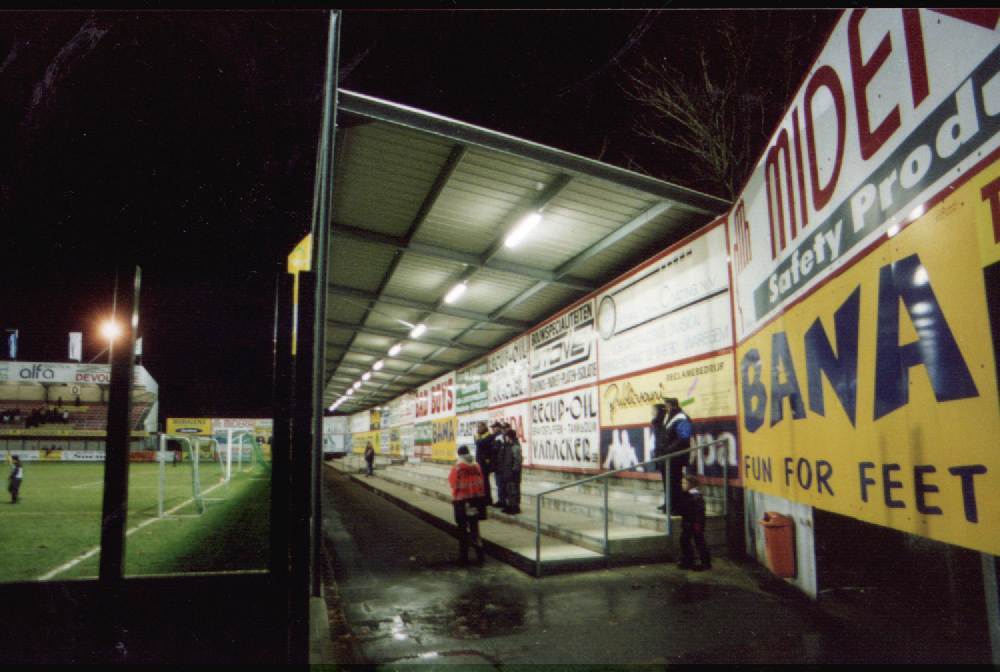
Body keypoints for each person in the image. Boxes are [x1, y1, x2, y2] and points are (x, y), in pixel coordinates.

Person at [447, 445, 486, 565]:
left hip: (461, 502)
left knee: (462, 530)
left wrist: (455, 495)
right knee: (475, 529)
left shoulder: (457, 467)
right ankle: (480, 558)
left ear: (459, 455)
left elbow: (452, 482)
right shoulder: (477, 466)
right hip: (475, 502)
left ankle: (464, 558)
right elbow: (482, 483)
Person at [662, 397, 693, 515]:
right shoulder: (671, 417)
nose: (666, 408)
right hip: (670, 456)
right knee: (670, 482)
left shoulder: (681, 418)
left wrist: (669, 450)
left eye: (667, 405)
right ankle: (670, 505)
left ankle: (676, 508)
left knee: (675, 482)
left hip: (677, 457)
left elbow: (683, 438)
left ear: (672, 406)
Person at [677, 474, 711, 571]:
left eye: (685, 483)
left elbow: (699, 511)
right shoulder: (687, 494)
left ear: (691, 484)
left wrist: (698, 524)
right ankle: (688, 561)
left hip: (694, 523)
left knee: (699, 542)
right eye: (682, 483)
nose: (682, 485)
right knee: (684, 541)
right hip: (688, 522)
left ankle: (705, 563)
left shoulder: (695, 495)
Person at [497, 428, 523, 515]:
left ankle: (515, 507)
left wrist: (514, 471)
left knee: (514, 490)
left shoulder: (515, 446)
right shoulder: (508, 445)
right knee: (509, 490)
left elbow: (517, 461)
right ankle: (510, 505)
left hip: (513, 473)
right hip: (507, 472)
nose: (505, 438)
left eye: (506, 436)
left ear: (510, 437)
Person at [650, 403, 669, 512]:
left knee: (668, 481)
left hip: (664, 454)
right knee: (665, 481)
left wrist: (660, 451)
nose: (652, 412)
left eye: (654, 410)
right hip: (660, 454)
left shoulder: (662, 423)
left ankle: (669, 504)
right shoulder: (657, 423)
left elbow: (662, 440)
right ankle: (667, 503)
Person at [474, 421, 498, 506]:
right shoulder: (479, 436)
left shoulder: (489, 436)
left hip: (485, 463)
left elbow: (480, 443)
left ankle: (488, 499)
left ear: (485, 427)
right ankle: (483, 498)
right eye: (478, 427)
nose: (478, 429)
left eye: (480, 427)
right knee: (481, 483)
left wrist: (477, 438)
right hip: (479, 462)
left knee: (485, 482)